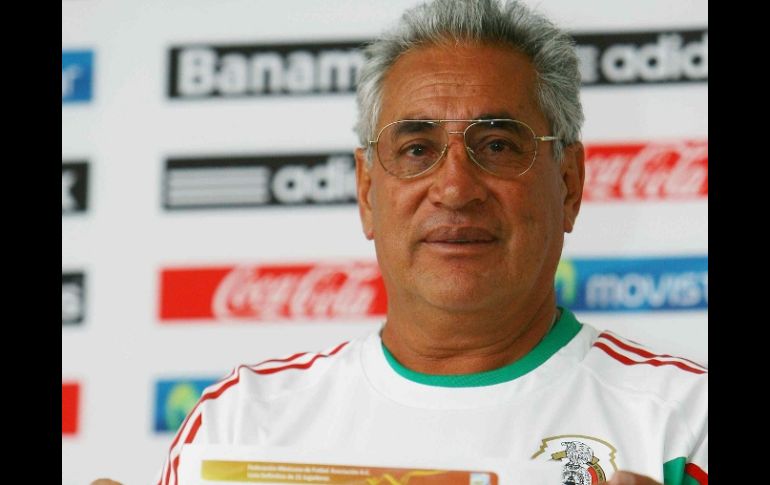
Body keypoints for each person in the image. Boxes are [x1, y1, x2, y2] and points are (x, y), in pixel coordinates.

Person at [147, 1, 708, 484]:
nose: (456, 189)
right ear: (367, 192)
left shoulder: (684, 423)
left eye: (497, 146)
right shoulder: (241, 424)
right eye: (417, 149)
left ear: (569, 184)